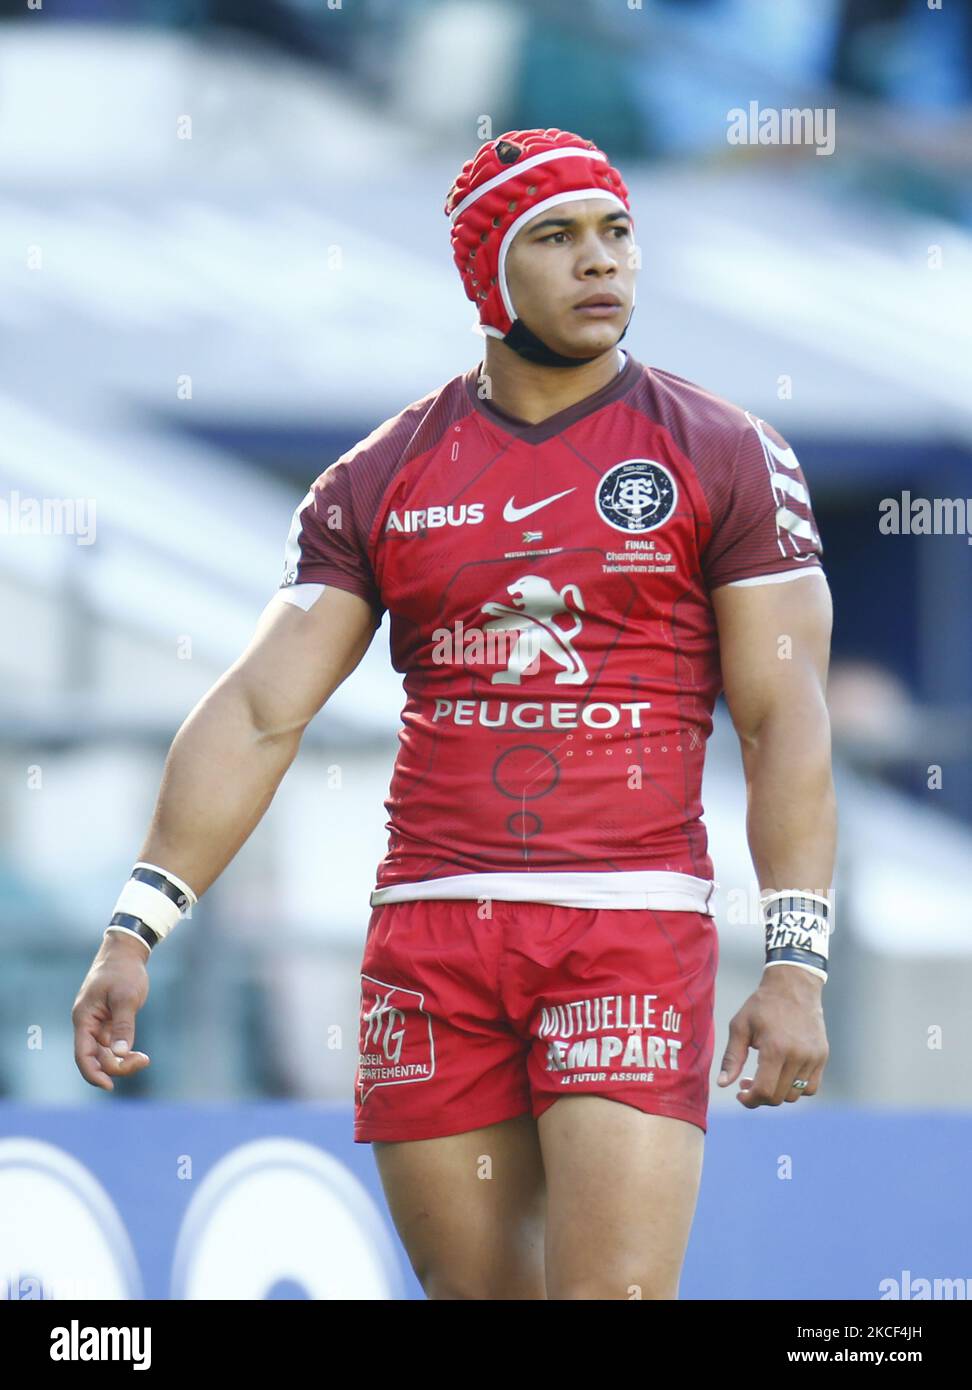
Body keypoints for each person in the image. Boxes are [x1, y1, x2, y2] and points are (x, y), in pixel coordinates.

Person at [72, 128, 835, 1300]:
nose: (602, 264)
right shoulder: (376, 479)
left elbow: (786, 720)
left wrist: (797, 962)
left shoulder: (726, 453)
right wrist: (136, 925)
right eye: (560, 238)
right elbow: (263, 710)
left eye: (618, 233)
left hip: (625, 927)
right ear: (488, 276)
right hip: (431, 942)